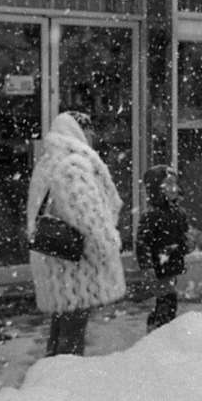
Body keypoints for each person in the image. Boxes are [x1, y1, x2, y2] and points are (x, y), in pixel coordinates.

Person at [26, 110, 125, 356]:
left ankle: (49, 378)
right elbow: (88, 217)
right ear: (77, 130)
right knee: (72, 329)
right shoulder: (73, 165)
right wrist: (109, 244)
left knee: (62, 325)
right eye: (88, 130)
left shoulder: (48, 162)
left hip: (55, 259)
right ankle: (65, 384)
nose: (92, 135)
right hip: (73, 264)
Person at [137, 166, 191, 331]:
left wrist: (185, 245)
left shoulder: (178, 213)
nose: (173, 188)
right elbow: (142, 243)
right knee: (168, 300)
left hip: (171, 265)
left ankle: (158, 328)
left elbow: (181, 236)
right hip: (158, 267)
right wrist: (147, 266)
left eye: (174, 184)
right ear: (156, 190)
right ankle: (160, 331)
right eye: (168, 184)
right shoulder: (151, 216)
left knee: (166, 300)